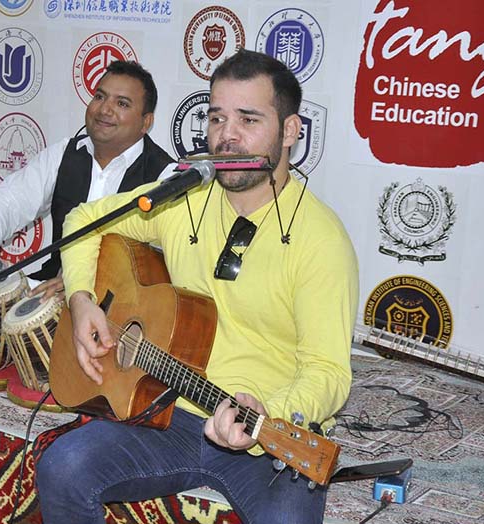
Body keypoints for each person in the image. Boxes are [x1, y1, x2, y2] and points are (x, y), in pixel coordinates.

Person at [35, 49, 359, 523]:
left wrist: (269, 413)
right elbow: (87, 220)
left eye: (248, 120)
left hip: (267, 433)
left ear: (290, 131)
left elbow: (329, 371)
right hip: (174, 410)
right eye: (217, 118)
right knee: (62, 467)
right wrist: (82, 300)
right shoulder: (186, 198)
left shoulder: (322, 241)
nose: (228, 135)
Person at [0, 60, 176, 298]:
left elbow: (166, 268)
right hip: (51, 295)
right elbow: (9, 201)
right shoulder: (64, 155)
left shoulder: (165, 177)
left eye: (122, 103)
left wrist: (80, 282)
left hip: (122, 312)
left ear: (146, 122)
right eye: (100, 97)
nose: (104, 109)